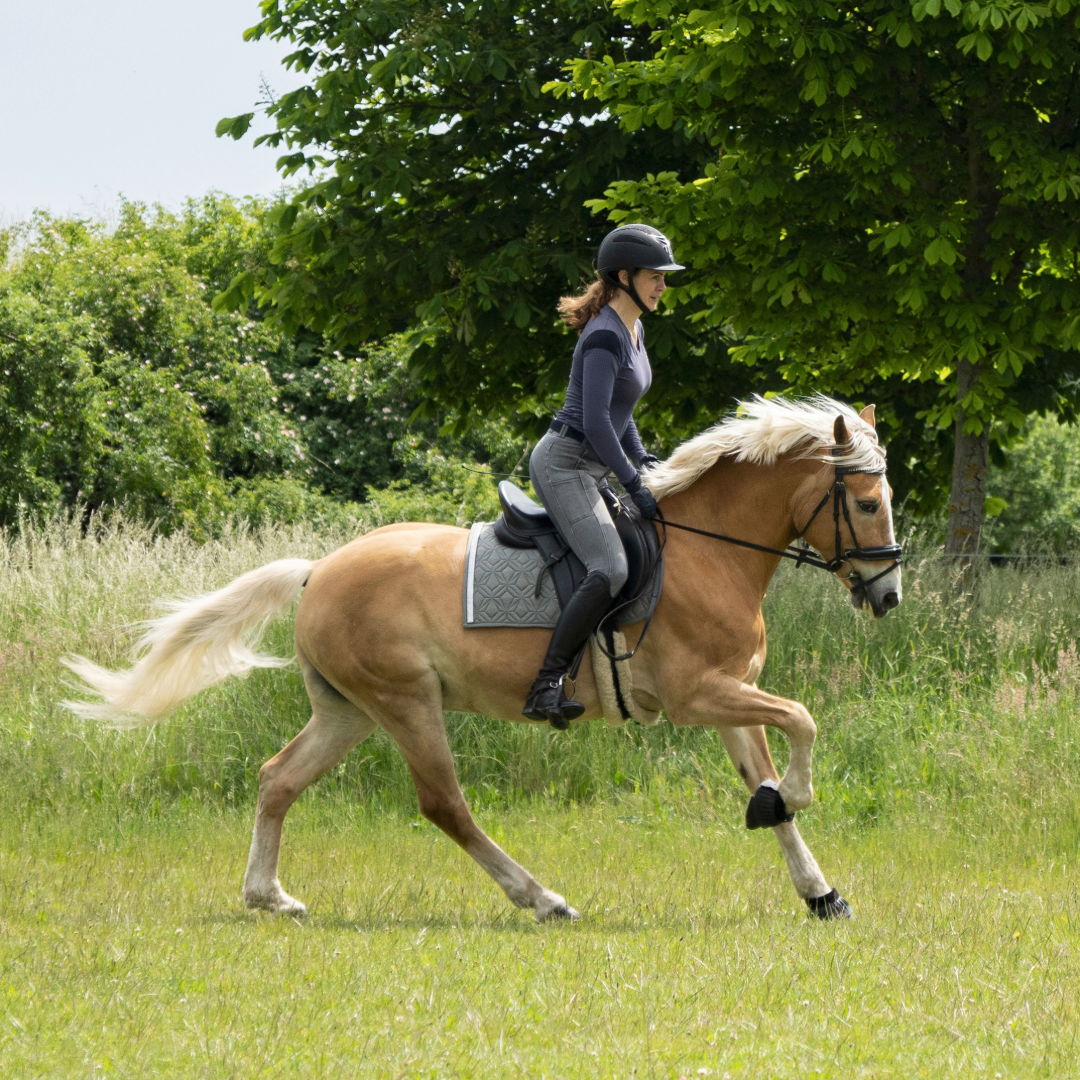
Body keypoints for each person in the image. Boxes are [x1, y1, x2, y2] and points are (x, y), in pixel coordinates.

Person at [523, 224, 683, 726]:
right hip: (565, 464)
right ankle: (545, 684)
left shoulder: (634, 329)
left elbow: (622, 410)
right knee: (610, 568)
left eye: (663, 277)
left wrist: (644, 465)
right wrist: (632, 483)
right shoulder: (604, 337)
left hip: (594, 465)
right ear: (623, 276)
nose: (662, 285)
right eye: (654, 276)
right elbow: (593, 422)